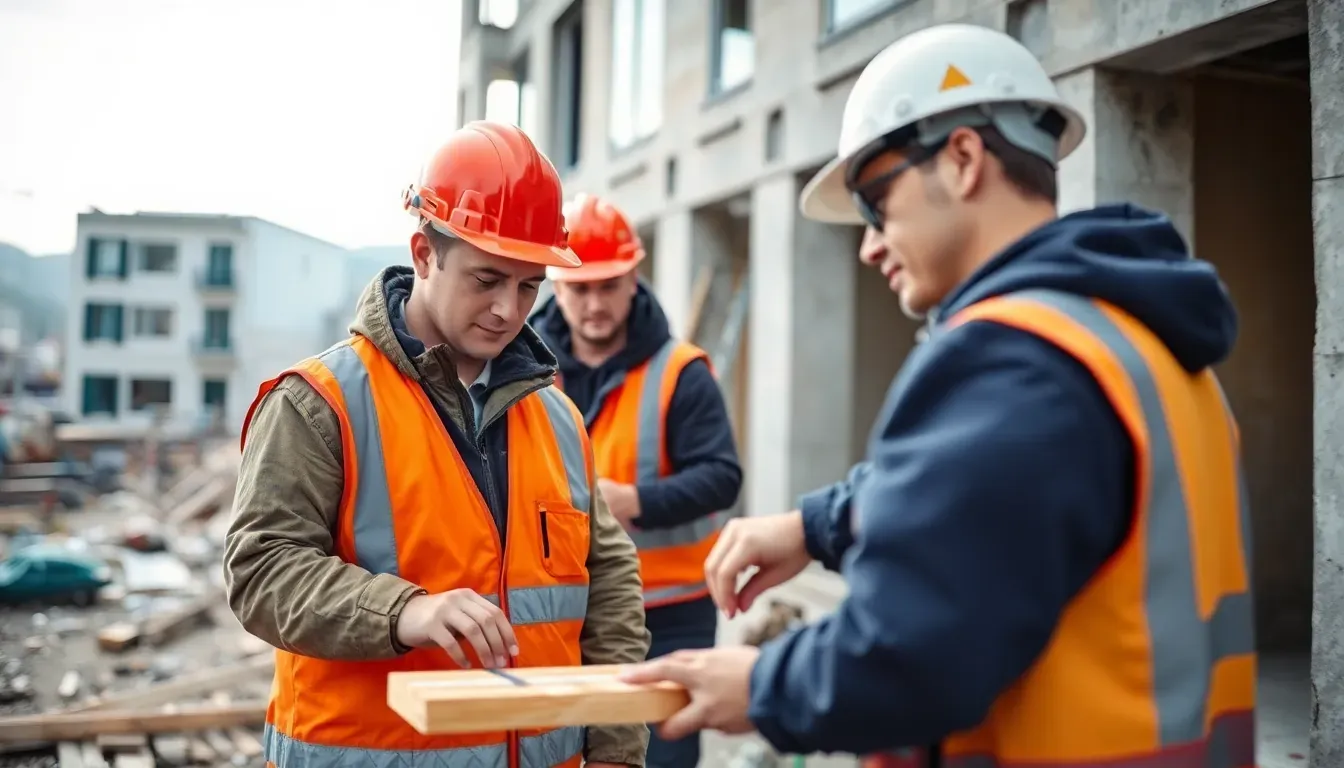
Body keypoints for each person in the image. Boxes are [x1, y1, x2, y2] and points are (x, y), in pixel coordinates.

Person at [621, 22, 1255, 768]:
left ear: (962, 159)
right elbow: (996, 500)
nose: (868, 245)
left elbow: (911, 651)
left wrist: (764, 684)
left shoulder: (1015, 359)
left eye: (876, 201)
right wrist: (818, 525)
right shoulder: (1131, 342)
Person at [223, 121, 650, 768]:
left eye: (529, 286)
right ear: (424, 254)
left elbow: (609, 583)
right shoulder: (319, 403)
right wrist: (402, 612)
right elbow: (261, 572)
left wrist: (617, 746)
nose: (509, 310)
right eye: (487, 279)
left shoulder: (559, 418)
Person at [531, 193, 743, 768]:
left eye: (609, 286)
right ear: (556, 285)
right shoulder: (523, 370)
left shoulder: (682, 372)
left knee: (662, 757)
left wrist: (635, 501)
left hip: (669, 610)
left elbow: (722, 477)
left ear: (633, 279)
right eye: (579, 289)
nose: (595, 304)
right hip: (563, 603)